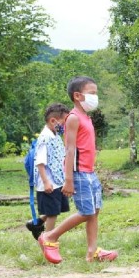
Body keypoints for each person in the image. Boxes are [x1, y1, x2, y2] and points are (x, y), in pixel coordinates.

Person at [37, 76, 118, 264]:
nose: (95, 97)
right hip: (79, 173)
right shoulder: (73, 118)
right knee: (86, 212)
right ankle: (50, 236)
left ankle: (92, 252)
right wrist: (69, 179)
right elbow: (70, 149)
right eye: (92, 93)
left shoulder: (86, 118)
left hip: (90, 172)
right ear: (77, 96)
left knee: (94, 211)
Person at [33, 103, 71, 234]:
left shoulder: (54, 135)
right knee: (52, 213)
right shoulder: (45, 138)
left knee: (56, 208)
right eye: (64, 121)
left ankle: (35, 223)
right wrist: (45, 182)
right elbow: (40, 162)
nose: (66, 125)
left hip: (57, 181)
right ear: (53, 121)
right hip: (49, 183)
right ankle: (49, 239)